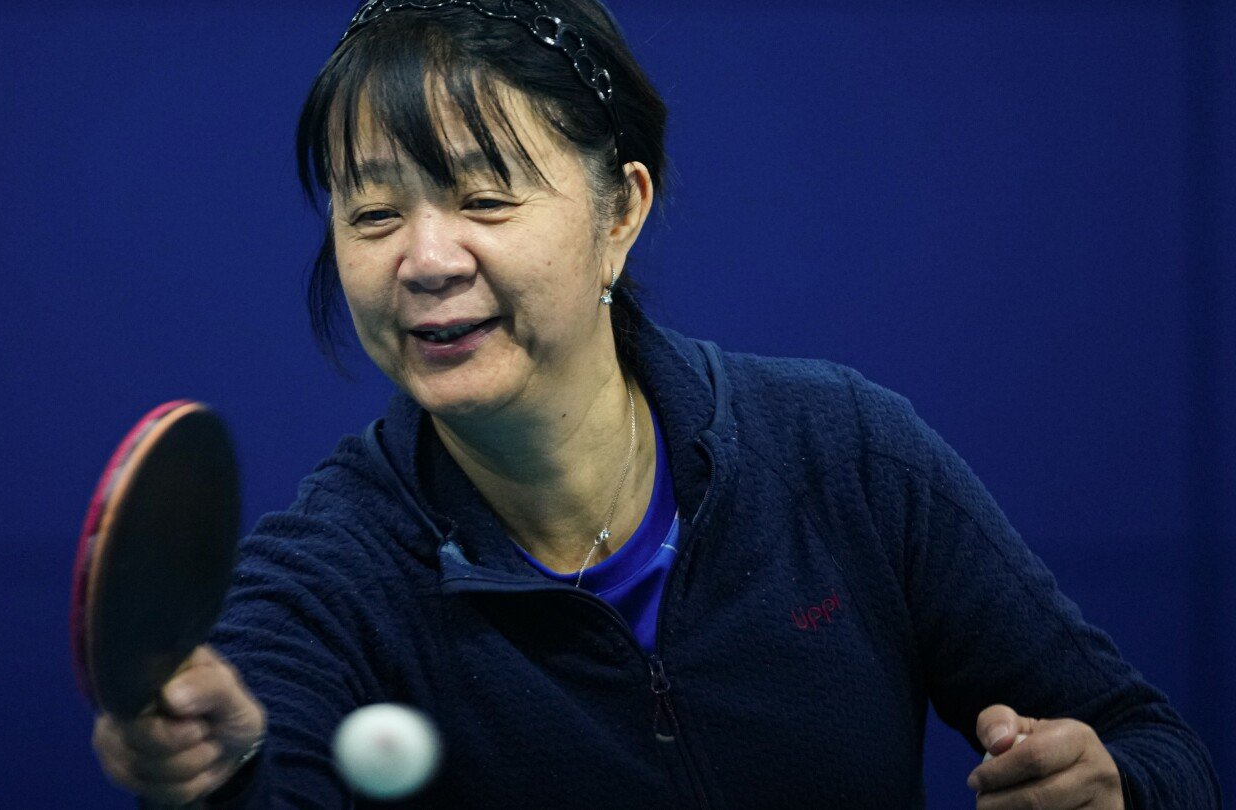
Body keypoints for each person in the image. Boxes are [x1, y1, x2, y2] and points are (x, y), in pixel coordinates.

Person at [91, 1, 1222, 807]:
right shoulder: (321, 580)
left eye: (486, 196)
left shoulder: (844, 453)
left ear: (620, 213)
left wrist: (1113, 787)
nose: (425, 259)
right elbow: (262, 771)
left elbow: (1157, 745)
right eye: (372, 213)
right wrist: (222, 773)